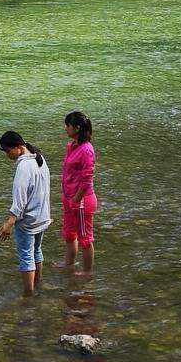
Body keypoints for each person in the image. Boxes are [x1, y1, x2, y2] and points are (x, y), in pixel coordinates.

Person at [0, 131, 51, 295]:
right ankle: (38, 284)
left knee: (26, 257)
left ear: (19, 147)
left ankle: (28, 295)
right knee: (36, 251)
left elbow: (20, 198)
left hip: (28, 220)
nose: (7, 155)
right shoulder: (39, 158)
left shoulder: (24, 166)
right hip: (42, 216)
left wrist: (10, 222)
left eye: (8, 151)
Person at [60, 110, 98, 271]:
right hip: (69, 197)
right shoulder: (72, 146)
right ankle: (68, 265)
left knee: (85, 239)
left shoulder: (86, 150)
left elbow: (87, 178)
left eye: (67, 125)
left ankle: (87, 272)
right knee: (69, 234)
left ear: (77, 128)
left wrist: (76, 199)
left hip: (81, 200)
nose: (65, 128)